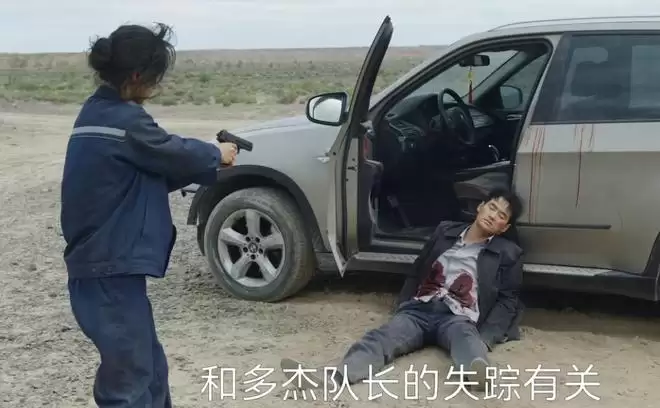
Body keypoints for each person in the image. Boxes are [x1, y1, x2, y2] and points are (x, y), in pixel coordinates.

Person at [60, 23, 237, 408]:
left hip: (107, 265)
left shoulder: (97, 112)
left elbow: (150, 171)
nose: (157, 87)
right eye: (156, 78)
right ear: (138, 76)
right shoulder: (125, 121)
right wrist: (215, 153)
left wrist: (204, 164)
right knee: (129, 380)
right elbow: (170, 150)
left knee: (149, 369)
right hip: (107, 267)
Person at [280, 188, 525, 392]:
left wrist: (487, 337)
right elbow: (418, 269)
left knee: (469, 342)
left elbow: (508, 301)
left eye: (501, 215)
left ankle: (477, 373)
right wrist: (403, 306)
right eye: (492, 207)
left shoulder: (508, 253)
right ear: (480, 207)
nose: (493, 215)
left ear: (504, 227)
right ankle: (334, 378)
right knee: (380, 338)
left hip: (458, 317)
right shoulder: (445, 231)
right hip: (419, 310)